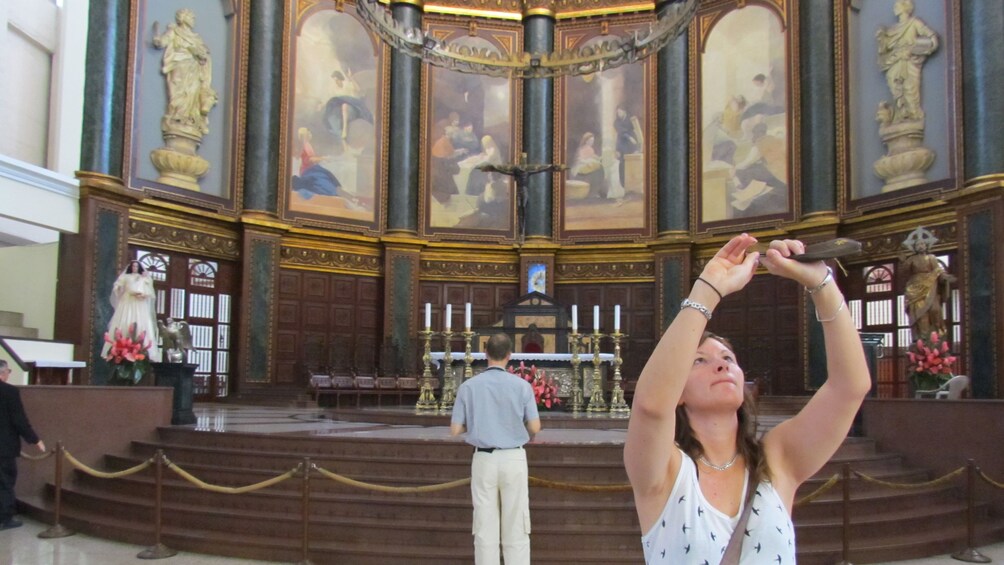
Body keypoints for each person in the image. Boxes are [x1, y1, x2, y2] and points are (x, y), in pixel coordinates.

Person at [624, 234, 870, 563]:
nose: (722, 364)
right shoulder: (664, 471)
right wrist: (709, 287)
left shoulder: (778, 459)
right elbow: (652, 406)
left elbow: (850, 387)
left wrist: (821, 283)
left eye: (729, 358)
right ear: (677, 393)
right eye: (700, 360)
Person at [451, 333, 541, 565]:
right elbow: (535, 426)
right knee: (516, 524)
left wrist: (480, 424)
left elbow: (455, 429)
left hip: (484, 459)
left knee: (484, 524)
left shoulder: (468, 386)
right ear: (509, 356)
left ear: (485, 353)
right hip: (513, 458)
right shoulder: (522, 385)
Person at [152, 9, 218, 137]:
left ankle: (188, 120)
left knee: (192, 93)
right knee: (178, 92)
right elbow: (163, 41)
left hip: (193, 69)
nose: (193, 19)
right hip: (179, 65)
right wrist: (157, 40)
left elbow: (204, 55)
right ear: (183, 18)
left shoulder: (196, 38)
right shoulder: (174, 31)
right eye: (191, 17)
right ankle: (176, 117)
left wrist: (201, 55)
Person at [0, 360, 46, 531]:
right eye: (8, 371)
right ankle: (5, 518)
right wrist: (35, 439)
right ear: (3, 373)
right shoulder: (9, 392)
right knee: (5, 482)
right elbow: (19, 420)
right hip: (3, 447)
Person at [876, 0, 939, 123]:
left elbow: (930, 36)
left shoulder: (914, 23)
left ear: (905, 8)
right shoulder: (892, 30)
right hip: (895, 62)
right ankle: (902, 114)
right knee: (896, 88)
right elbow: (885, 48)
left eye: (897, 5)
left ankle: (913, 115)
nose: (894, 7)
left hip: (909, 61)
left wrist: (931, 45)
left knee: (910, 88)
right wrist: (882, 37)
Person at [900, 227, 955, 341]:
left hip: (930, 285)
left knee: (935, 310)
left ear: (926, 246)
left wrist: (945, 277)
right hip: (915, 286)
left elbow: (938, 270)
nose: (920, 246)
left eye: (922, 244)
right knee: (920, 314)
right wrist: (903, 261)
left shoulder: (931, 258)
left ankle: (935, 336)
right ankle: (922, 338)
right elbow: (904, 271)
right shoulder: (912, 259)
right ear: (914, 247)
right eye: (918, 244)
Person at [102, 261, 162, 363]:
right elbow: (117, 286)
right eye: (133, 266)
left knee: (141, 324)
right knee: (124, 321)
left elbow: (150, 292)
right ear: (131, 267)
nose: (135, 268)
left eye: (136, 266)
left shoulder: (144, 278)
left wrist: (143, 295)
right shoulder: (126, 277)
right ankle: (120, 346)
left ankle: (141, 348)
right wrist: (119, 288)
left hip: (139, 303)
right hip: (127, 301)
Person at [292, 127, 342, 200]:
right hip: (309, 171)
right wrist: (323, 159)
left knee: (327, 174)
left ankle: (337, 190)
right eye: (308, 132)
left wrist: (322, 158)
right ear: (304, 135)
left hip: (312, 169)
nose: (310, 133)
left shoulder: (308, 144)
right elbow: (310, 160)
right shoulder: (305, 146)